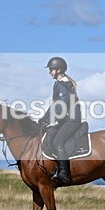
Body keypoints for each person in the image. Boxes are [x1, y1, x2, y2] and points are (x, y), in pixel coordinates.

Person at [39, 57, 82, 185]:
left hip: (72, 120)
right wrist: (44, 119)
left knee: (58, 141)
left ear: (59, 70)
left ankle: (64, 174)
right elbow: (54, 106)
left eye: (51, 69)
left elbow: (61, 106)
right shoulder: (59, 83)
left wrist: (48, 121)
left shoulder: (63, 84)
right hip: (65, 119)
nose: (50, 72)